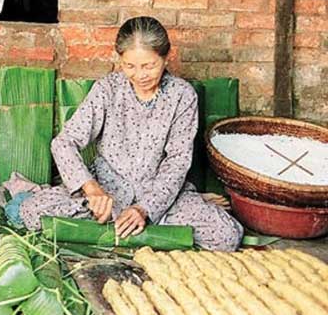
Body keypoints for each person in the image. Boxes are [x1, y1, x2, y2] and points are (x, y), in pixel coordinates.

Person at [17, 16, 243, 251]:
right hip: (107, 193)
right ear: (120, 60)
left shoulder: (182, 96)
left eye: (149, 66)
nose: (140, 75)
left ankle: (147, 220)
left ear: (166, 58)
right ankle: (145, 228)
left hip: (159, 196)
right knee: (32, 212)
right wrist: (92, 190)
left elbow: (177, 162)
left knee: (226, 236)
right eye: (130, 66)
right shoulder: (108, 89)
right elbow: (64, 142)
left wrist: (145, 209)